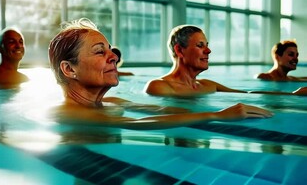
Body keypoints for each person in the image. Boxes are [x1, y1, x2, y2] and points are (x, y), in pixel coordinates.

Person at [47, 18, 273, 130]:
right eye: (99, 52)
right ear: (69, 69)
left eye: (110, 49)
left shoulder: (111, 102)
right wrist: (215, 116)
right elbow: (143, 123)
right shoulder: (70, 113)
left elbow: (162, 110)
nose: (113, 56)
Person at [144, 25, 307, 96]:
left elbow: (248, 94)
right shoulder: (159, 86)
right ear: (179, 50)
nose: (208, 50)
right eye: (200, 45)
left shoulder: (208, 85)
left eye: (207, 45)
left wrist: (293, 94)